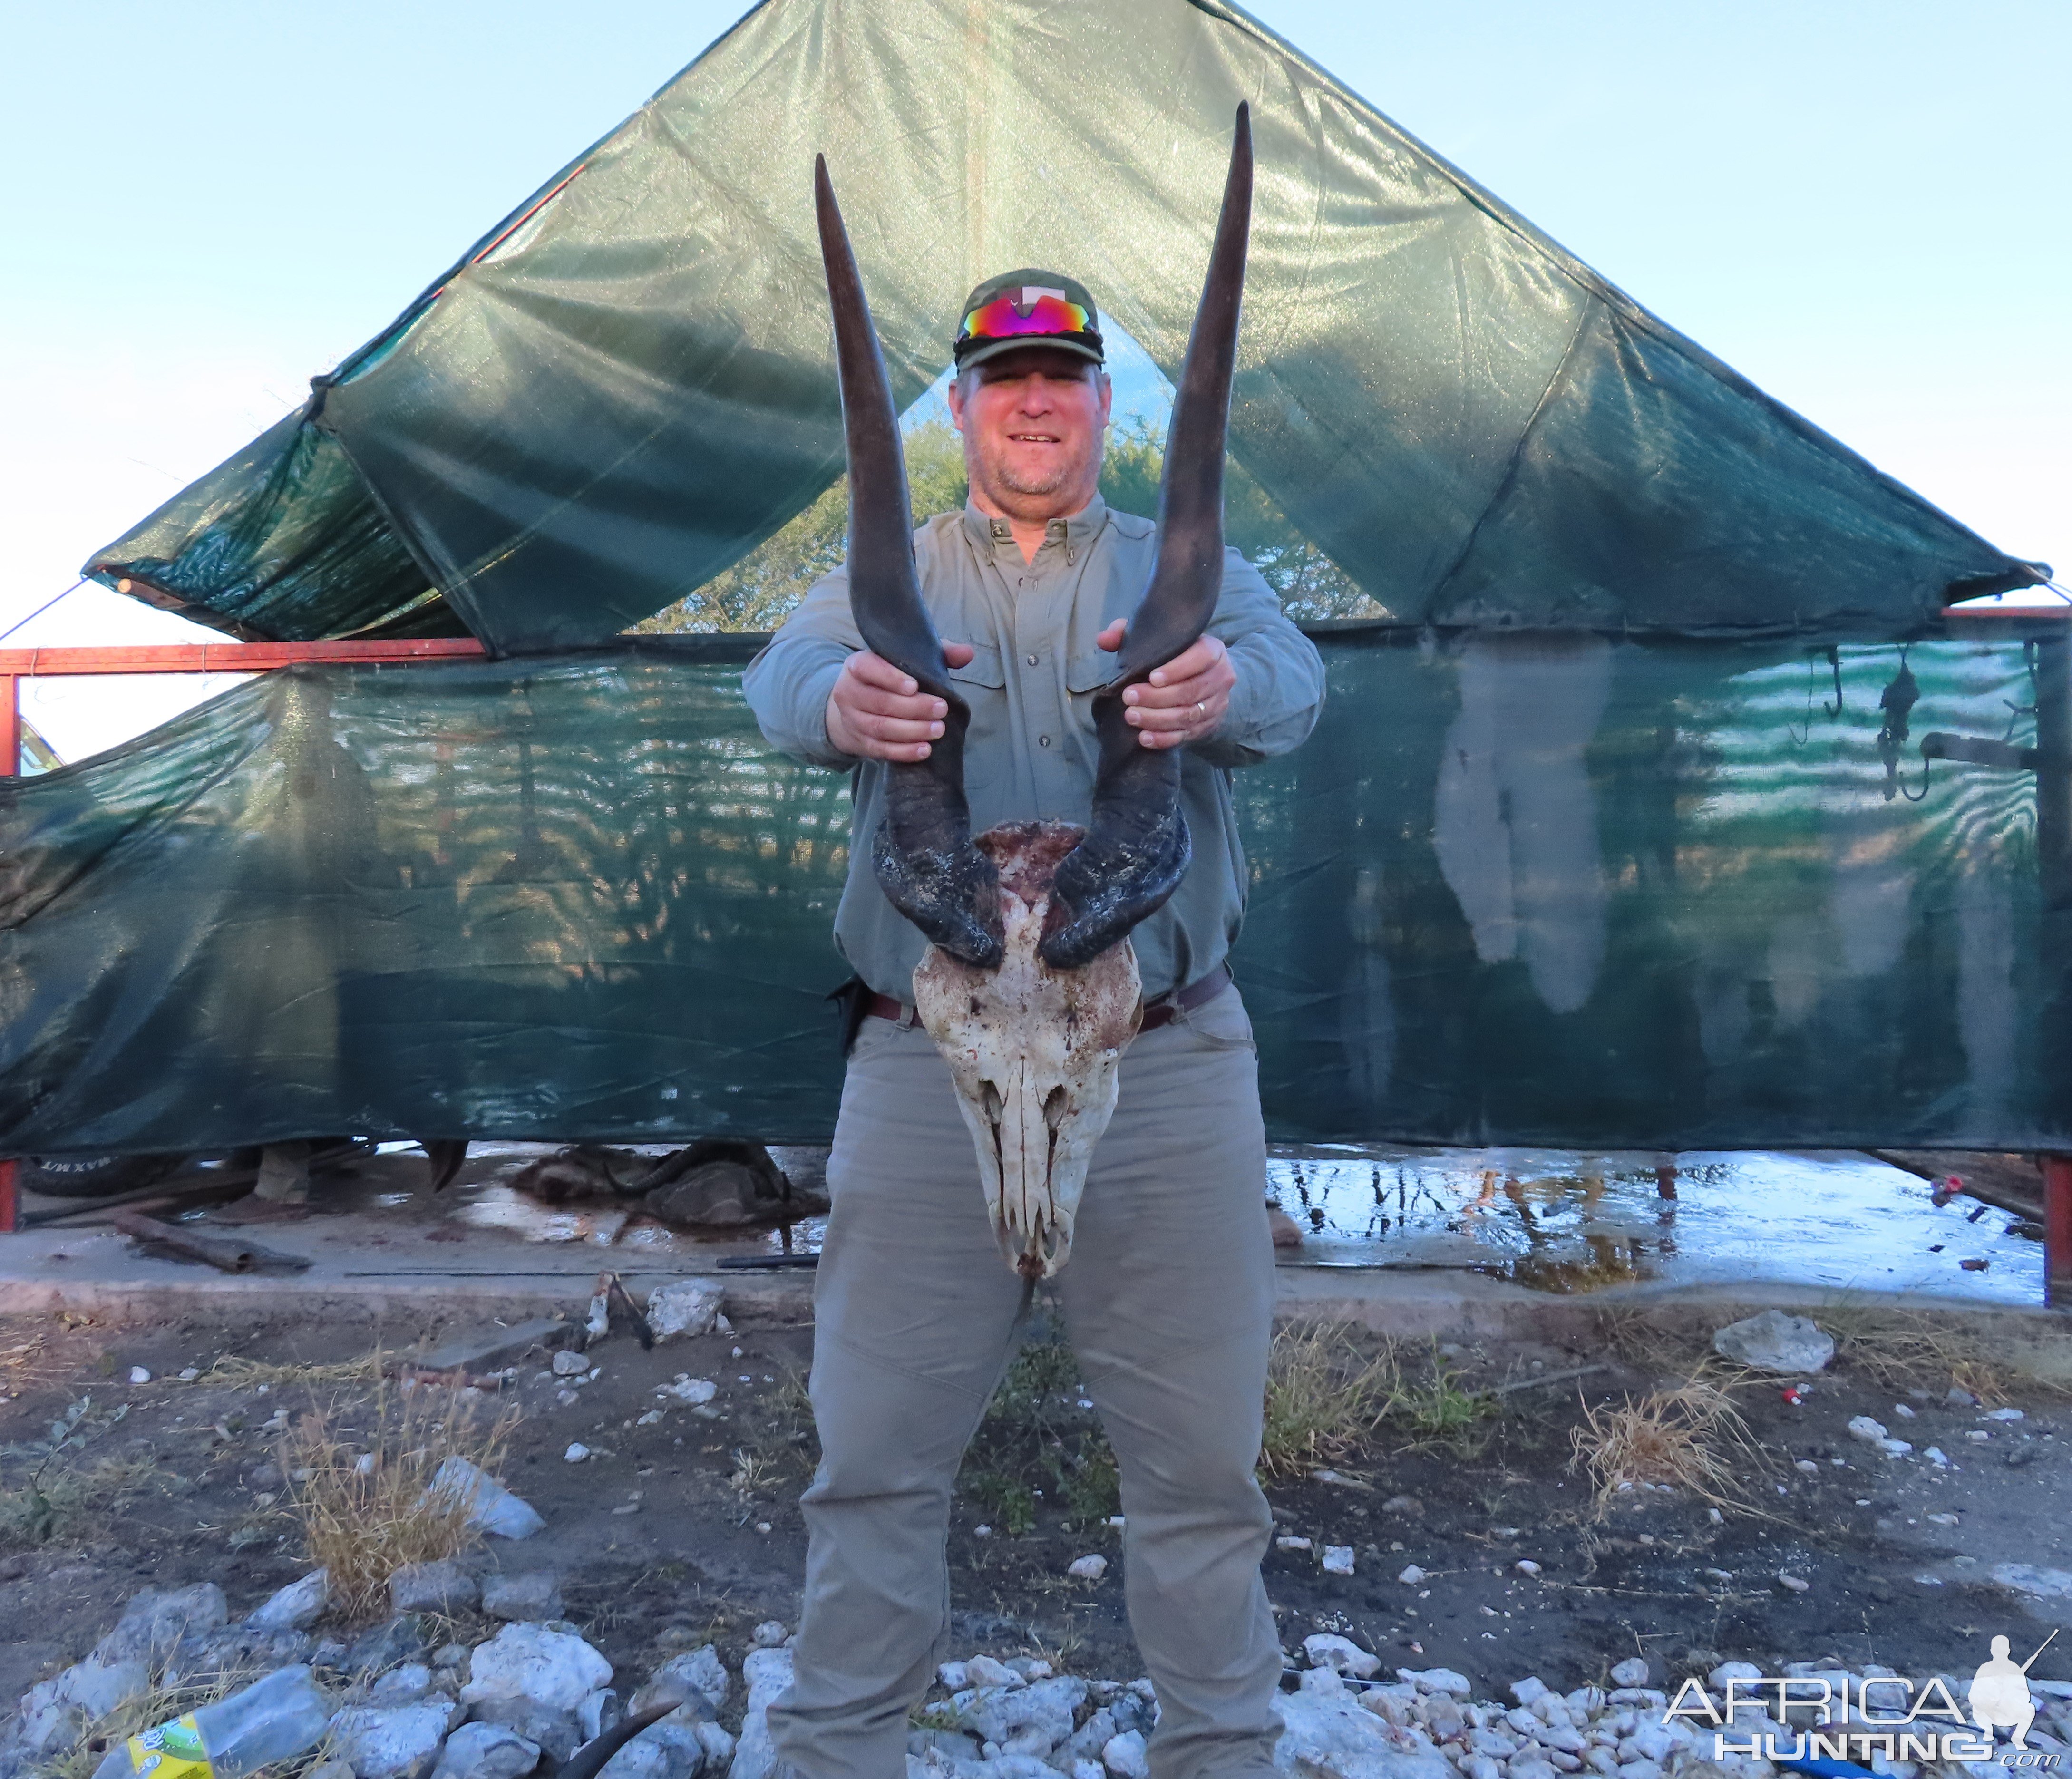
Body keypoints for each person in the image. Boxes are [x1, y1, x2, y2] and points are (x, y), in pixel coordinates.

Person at [742, 270, 1326, 1779]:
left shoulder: (1180, 563)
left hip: (1165, 1064)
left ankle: (1222, 1757)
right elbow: (784, 676)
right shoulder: (893, 570)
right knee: (872, 1459)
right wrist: (835, 706)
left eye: (1063, 377)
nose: (1036, 402)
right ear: (960, 410)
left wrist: (1226, 685)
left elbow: (1292, 683)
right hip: (923, 1065)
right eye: (1006, 381)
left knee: (1200, 1471)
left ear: (1103, 406)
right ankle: (837, 1755)